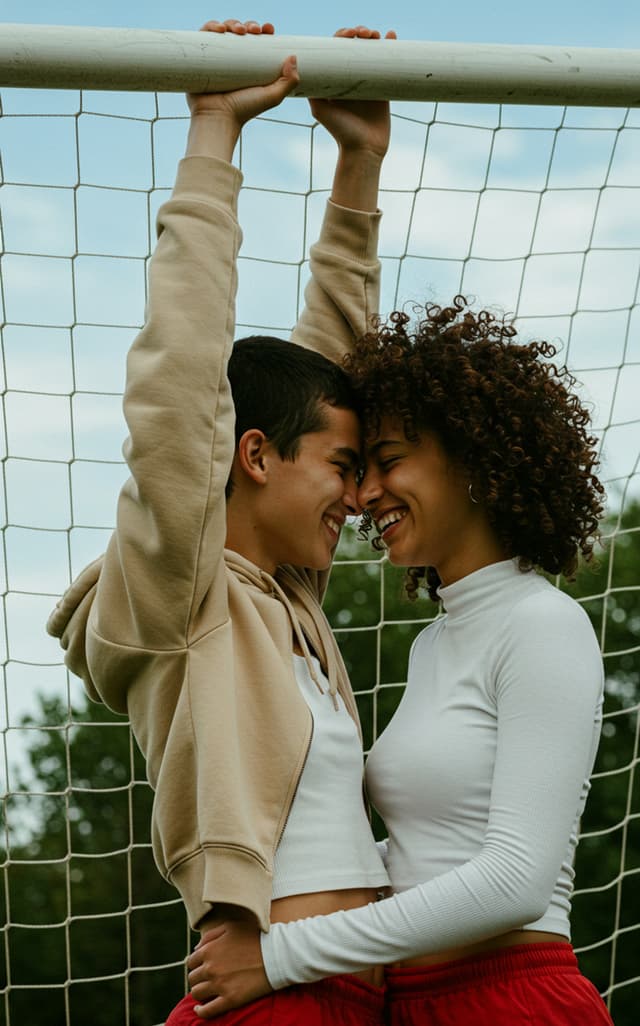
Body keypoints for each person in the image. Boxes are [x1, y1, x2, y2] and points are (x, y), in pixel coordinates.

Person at [45, 16, 398, 1026]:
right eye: (341, 469)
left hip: (346, 990)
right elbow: (181, 391)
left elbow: (328, 379)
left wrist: (358, 167)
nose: (360, 494)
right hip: (274, 1002)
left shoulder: (288, 599)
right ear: (251, 457)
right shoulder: (179, 594)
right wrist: (214, 138)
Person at [186, 300, 615, 1024]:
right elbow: (425, 857)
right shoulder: (432, 643)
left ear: (474, 453)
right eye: (356, 469)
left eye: (386, 462)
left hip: (507, 998)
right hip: (405, 1003)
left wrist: (282, 953)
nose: (364, 496)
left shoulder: (544, 622)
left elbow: (517, 881)